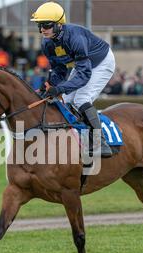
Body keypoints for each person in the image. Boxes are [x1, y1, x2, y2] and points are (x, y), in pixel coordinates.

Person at [30, 1, 115, 157]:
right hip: (84, 64)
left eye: (46, 25)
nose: (42, 29)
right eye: (39, 25)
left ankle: (100, 143)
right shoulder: (47, 43)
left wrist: (60, 89)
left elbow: (84, 75)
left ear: (59, 25)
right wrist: (49, 86)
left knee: (81, 99)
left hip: (101, 62)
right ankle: (77, 141)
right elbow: (59, 70)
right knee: (67, 101)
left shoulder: (75, 37)